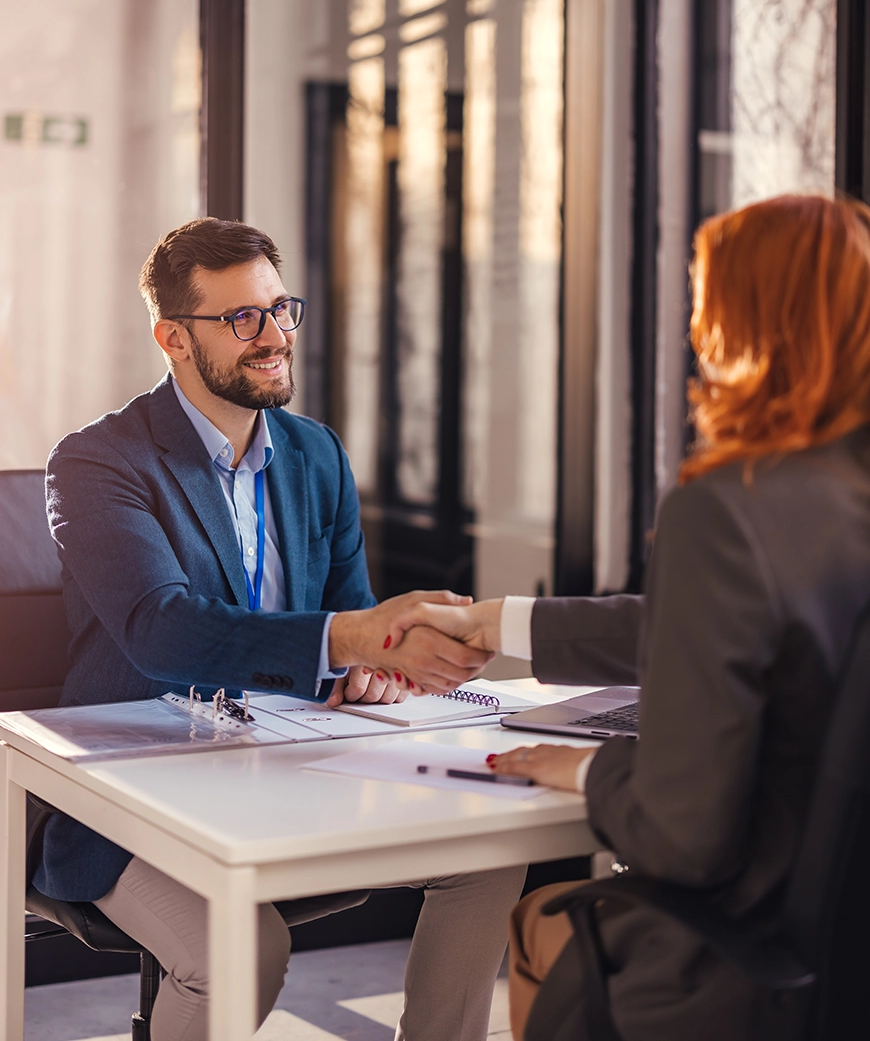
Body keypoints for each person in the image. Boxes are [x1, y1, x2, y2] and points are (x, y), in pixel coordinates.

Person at [385, 194, 870, 1040]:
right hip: (847, 939)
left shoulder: (728, 506)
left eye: (704, 301)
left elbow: (686, 837)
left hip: (746, 953)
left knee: (542, 924)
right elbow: (709, 623)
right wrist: (500, 622)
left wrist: (579, 770)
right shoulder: (835, 497)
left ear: (744, 323)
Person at [39, 217, 526, 1041]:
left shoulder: (316, 454)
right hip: (132, 798)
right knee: (241, 948)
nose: (273, 338)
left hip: (294, 773)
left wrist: (381, 661)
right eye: (242, 319)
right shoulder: (99, 463)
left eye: (279, 309)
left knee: (488, 855)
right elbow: (162, 632)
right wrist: (347, 641)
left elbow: (349, 617)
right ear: (173, 339)